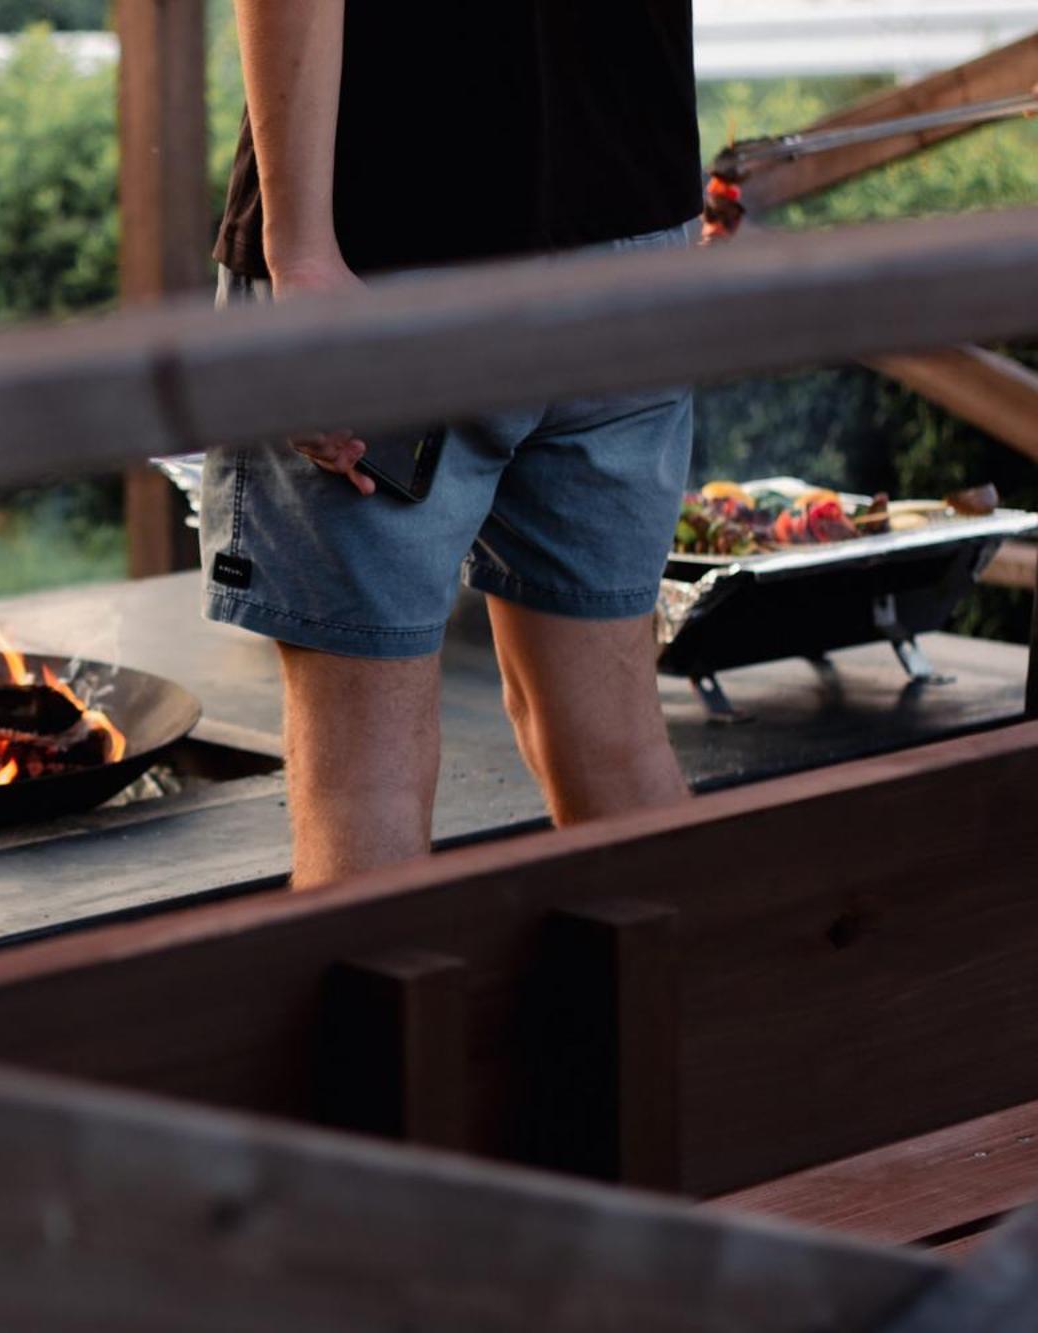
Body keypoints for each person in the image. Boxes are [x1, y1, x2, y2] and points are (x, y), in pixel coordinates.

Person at [205, 1, 700, 887]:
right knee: (615, 742)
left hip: (387, 240)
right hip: (635, 228)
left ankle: (383, 1034)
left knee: (363, 779)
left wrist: (301, 256)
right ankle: (696, 1028)